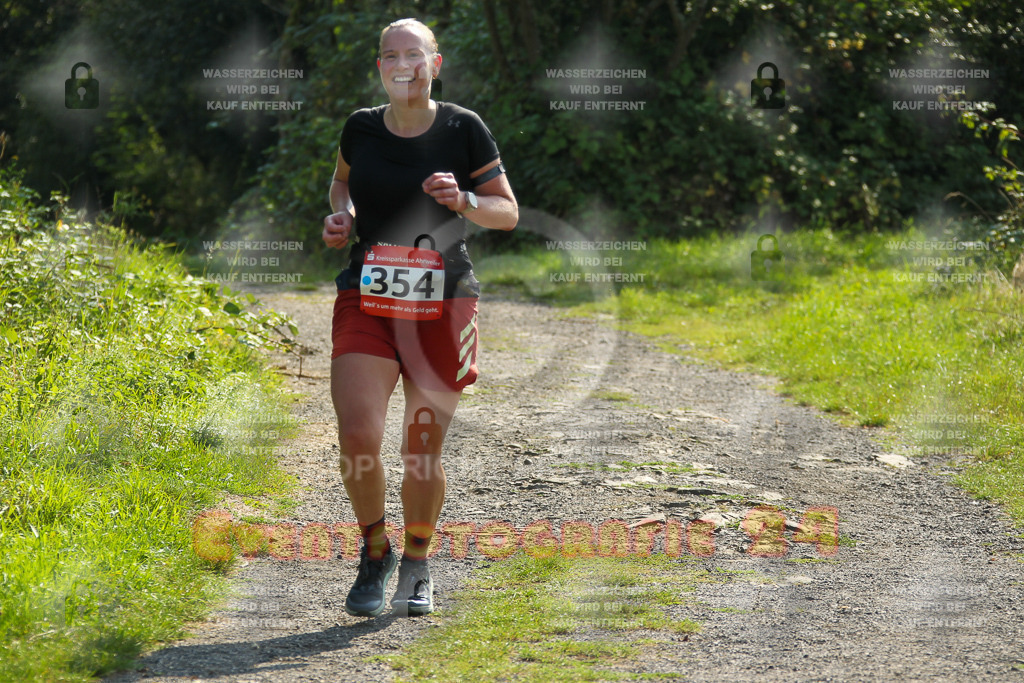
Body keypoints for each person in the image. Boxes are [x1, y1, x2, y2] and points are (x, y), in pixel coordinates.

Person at [322, 18, 517, 617]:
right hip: (370, 294)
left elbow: (505, 213)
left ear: (436, 63)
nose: (401, 64)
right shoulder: (360, 126)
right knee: (358, 434)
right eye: (390, 55)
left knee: (421, 449)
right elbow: (340, 186)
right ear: (379, 66)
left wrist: (463, 200)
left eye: (414, 54)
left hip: (444, 300)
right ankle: (374, 550)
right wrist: (344, 216)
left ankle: (417, 559)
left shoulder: (464, 129)